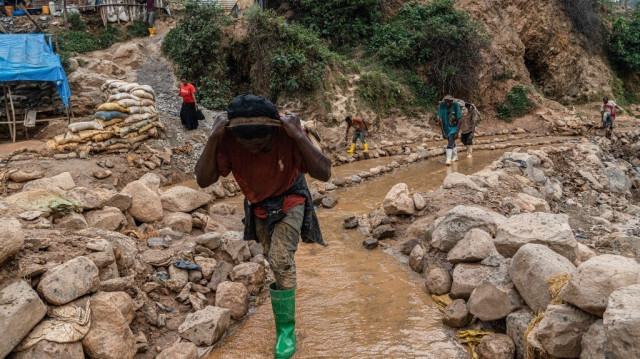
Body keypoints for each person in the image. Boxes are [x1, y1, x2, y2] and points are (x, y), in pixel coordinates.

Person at [195, 94, 331, 359]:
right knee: (273, 259)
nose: (254, 150)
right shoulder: (225, 137)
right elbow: (202, 180)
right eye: (247, 146)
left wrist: (300, 135)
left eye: (262, 145)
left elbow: (324, 172)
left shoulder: (289, 133)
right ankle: (285, 304)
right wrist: (212, 137)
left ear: (275, 132)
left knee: (280, 258)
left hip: (291, 196)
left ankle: (285, 331)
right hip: (258, 204)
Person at [438, 94, 462, 165]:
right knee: (451, 141)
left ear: (451, 101)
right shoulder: (442, 106)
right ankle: (455, 156)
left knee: (451, 141)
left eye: (448, 102)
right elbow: (440, 119)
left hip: (454, 127)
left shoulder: (456, 106)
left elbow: (460, 119)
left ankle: (448, 159)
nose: (447, 103)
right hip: (446, 127)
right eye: (446, 102)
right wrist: (442, 132)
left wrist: (457, 132)